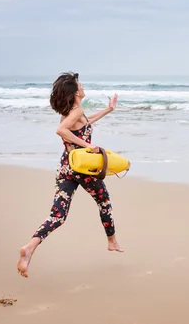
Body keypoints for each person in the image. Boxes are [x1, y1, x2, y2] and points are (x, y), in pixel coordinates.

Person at [17, 72, 123, 278]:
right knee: (104, 203)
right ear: (75, 92)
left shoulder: (73, 112)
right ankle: (112, 241)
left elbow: (85, 122)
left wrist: (108, 110)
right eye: (80, 85)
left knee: (57, 215)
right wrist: (88, 146)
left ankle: (29, 248)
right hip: (83, 169)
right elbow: (61, 130)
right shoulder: (76, 111)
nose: (83, 87)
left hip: (66, 168)